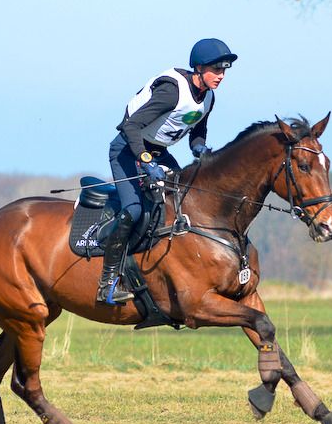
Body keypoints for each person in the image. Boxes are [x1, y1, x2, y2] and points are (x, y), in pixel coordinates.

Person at [96, 38, 238, 304]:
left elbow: (197, 133)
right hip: (128, 150)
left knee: (184, 203)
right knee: (134, 210)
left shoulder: (208, 98)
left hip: (159, 152)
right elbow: (129, 127)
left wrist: (201, 150)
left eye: (224, 71)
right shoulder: (171, 92)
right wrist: (147, 162)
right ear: (198, 68)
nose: (221, 76)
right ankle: (108, 282)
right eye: (216, 70)